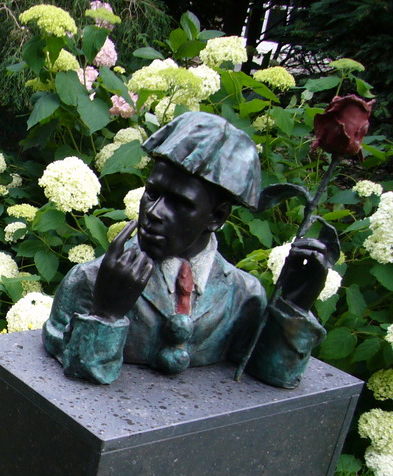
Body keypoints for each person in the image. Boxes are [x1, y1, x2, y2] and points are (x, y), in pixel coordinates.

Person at [44, 111, 331, 388]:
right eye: (153, 194)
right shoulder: (89, 280)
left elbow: (272, 375)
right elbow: (77, 369)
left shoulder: (244, 295)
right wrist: (105, 313)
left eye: (180, 203)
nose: (154, 212)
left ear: (216, 217)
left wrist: (295, 306)